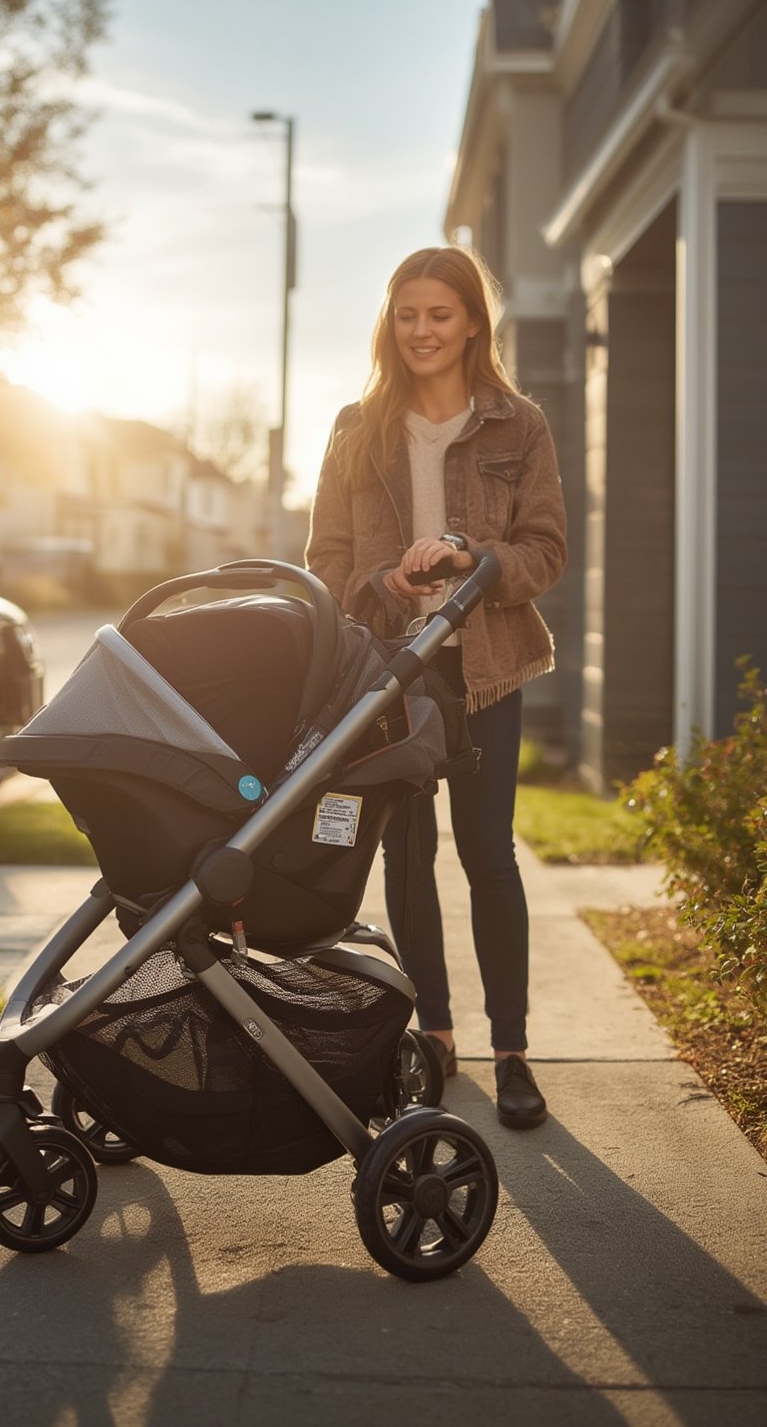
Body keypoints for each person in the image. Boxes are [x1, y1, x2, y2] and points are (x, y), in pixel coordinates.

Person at [306, 245, 567, 1129]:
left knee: (488, 853)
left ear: (472, 325)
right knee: (405, 857)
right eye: (408, 313)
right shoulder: (355, 427)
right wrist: (387, 586)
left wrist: (472, 564)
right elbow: (327, 564)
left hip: (488, 668)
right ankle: (437, 1035)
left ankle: (513, 1053)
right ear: (392, 322)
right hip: (389, 674)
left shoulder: (518, 425)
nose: (422, 330)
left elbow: (546, 549)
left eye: (440, 314)